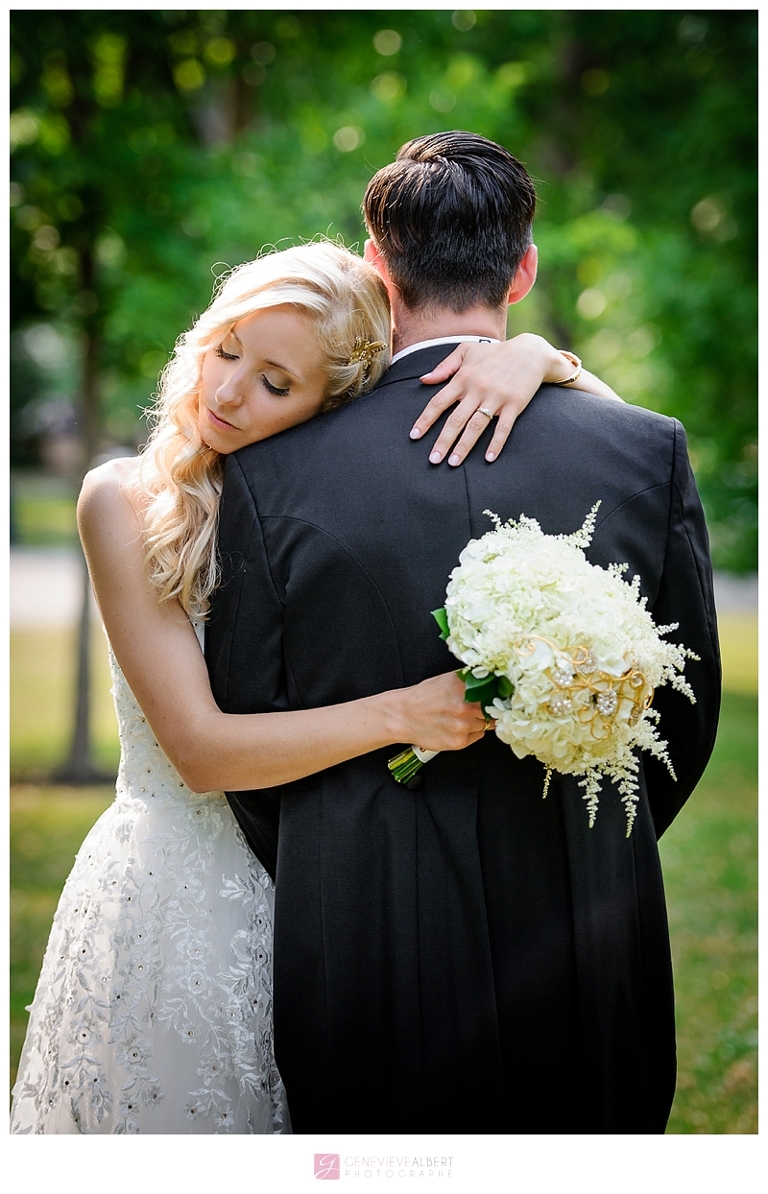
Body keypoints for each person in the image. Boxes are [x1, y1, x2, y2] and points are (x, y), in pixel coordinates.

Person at [10, 240, 612, 1135]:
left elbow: (620, 436)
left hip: (330, 889)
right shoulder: (125, 501)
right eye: (226, 351)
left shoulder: (330, 503)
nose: (224, 394)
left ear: (334, 405)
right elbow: (202, 752)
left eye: (274, 384)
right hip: (182, 899)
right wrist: (405, 713)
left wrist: (540, 359)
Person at [206, 134, 721, 1135]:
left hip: (358, 921)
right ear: (523, 269)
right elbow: (682, 709)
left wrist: (339, 854)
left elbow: (247, 728)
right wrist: (586, 835)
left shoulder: (271, 473)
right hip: (585, 904)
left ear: (374, 264)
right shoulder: (643, 446)